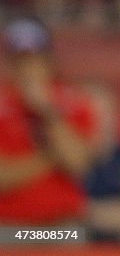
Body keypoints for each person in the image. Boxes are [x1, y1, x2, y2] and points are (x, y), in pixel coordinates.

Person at [0, 18, 99, 226]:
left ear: (49, 61)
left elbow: (77, 163)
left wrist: (48, 112)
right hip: (9, 226)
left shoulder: (74, 102)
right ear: (10, 64)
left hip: (63, 224)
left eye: (36, 60)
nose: (29, 69)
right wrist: (52, 157)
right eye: (21, 61)